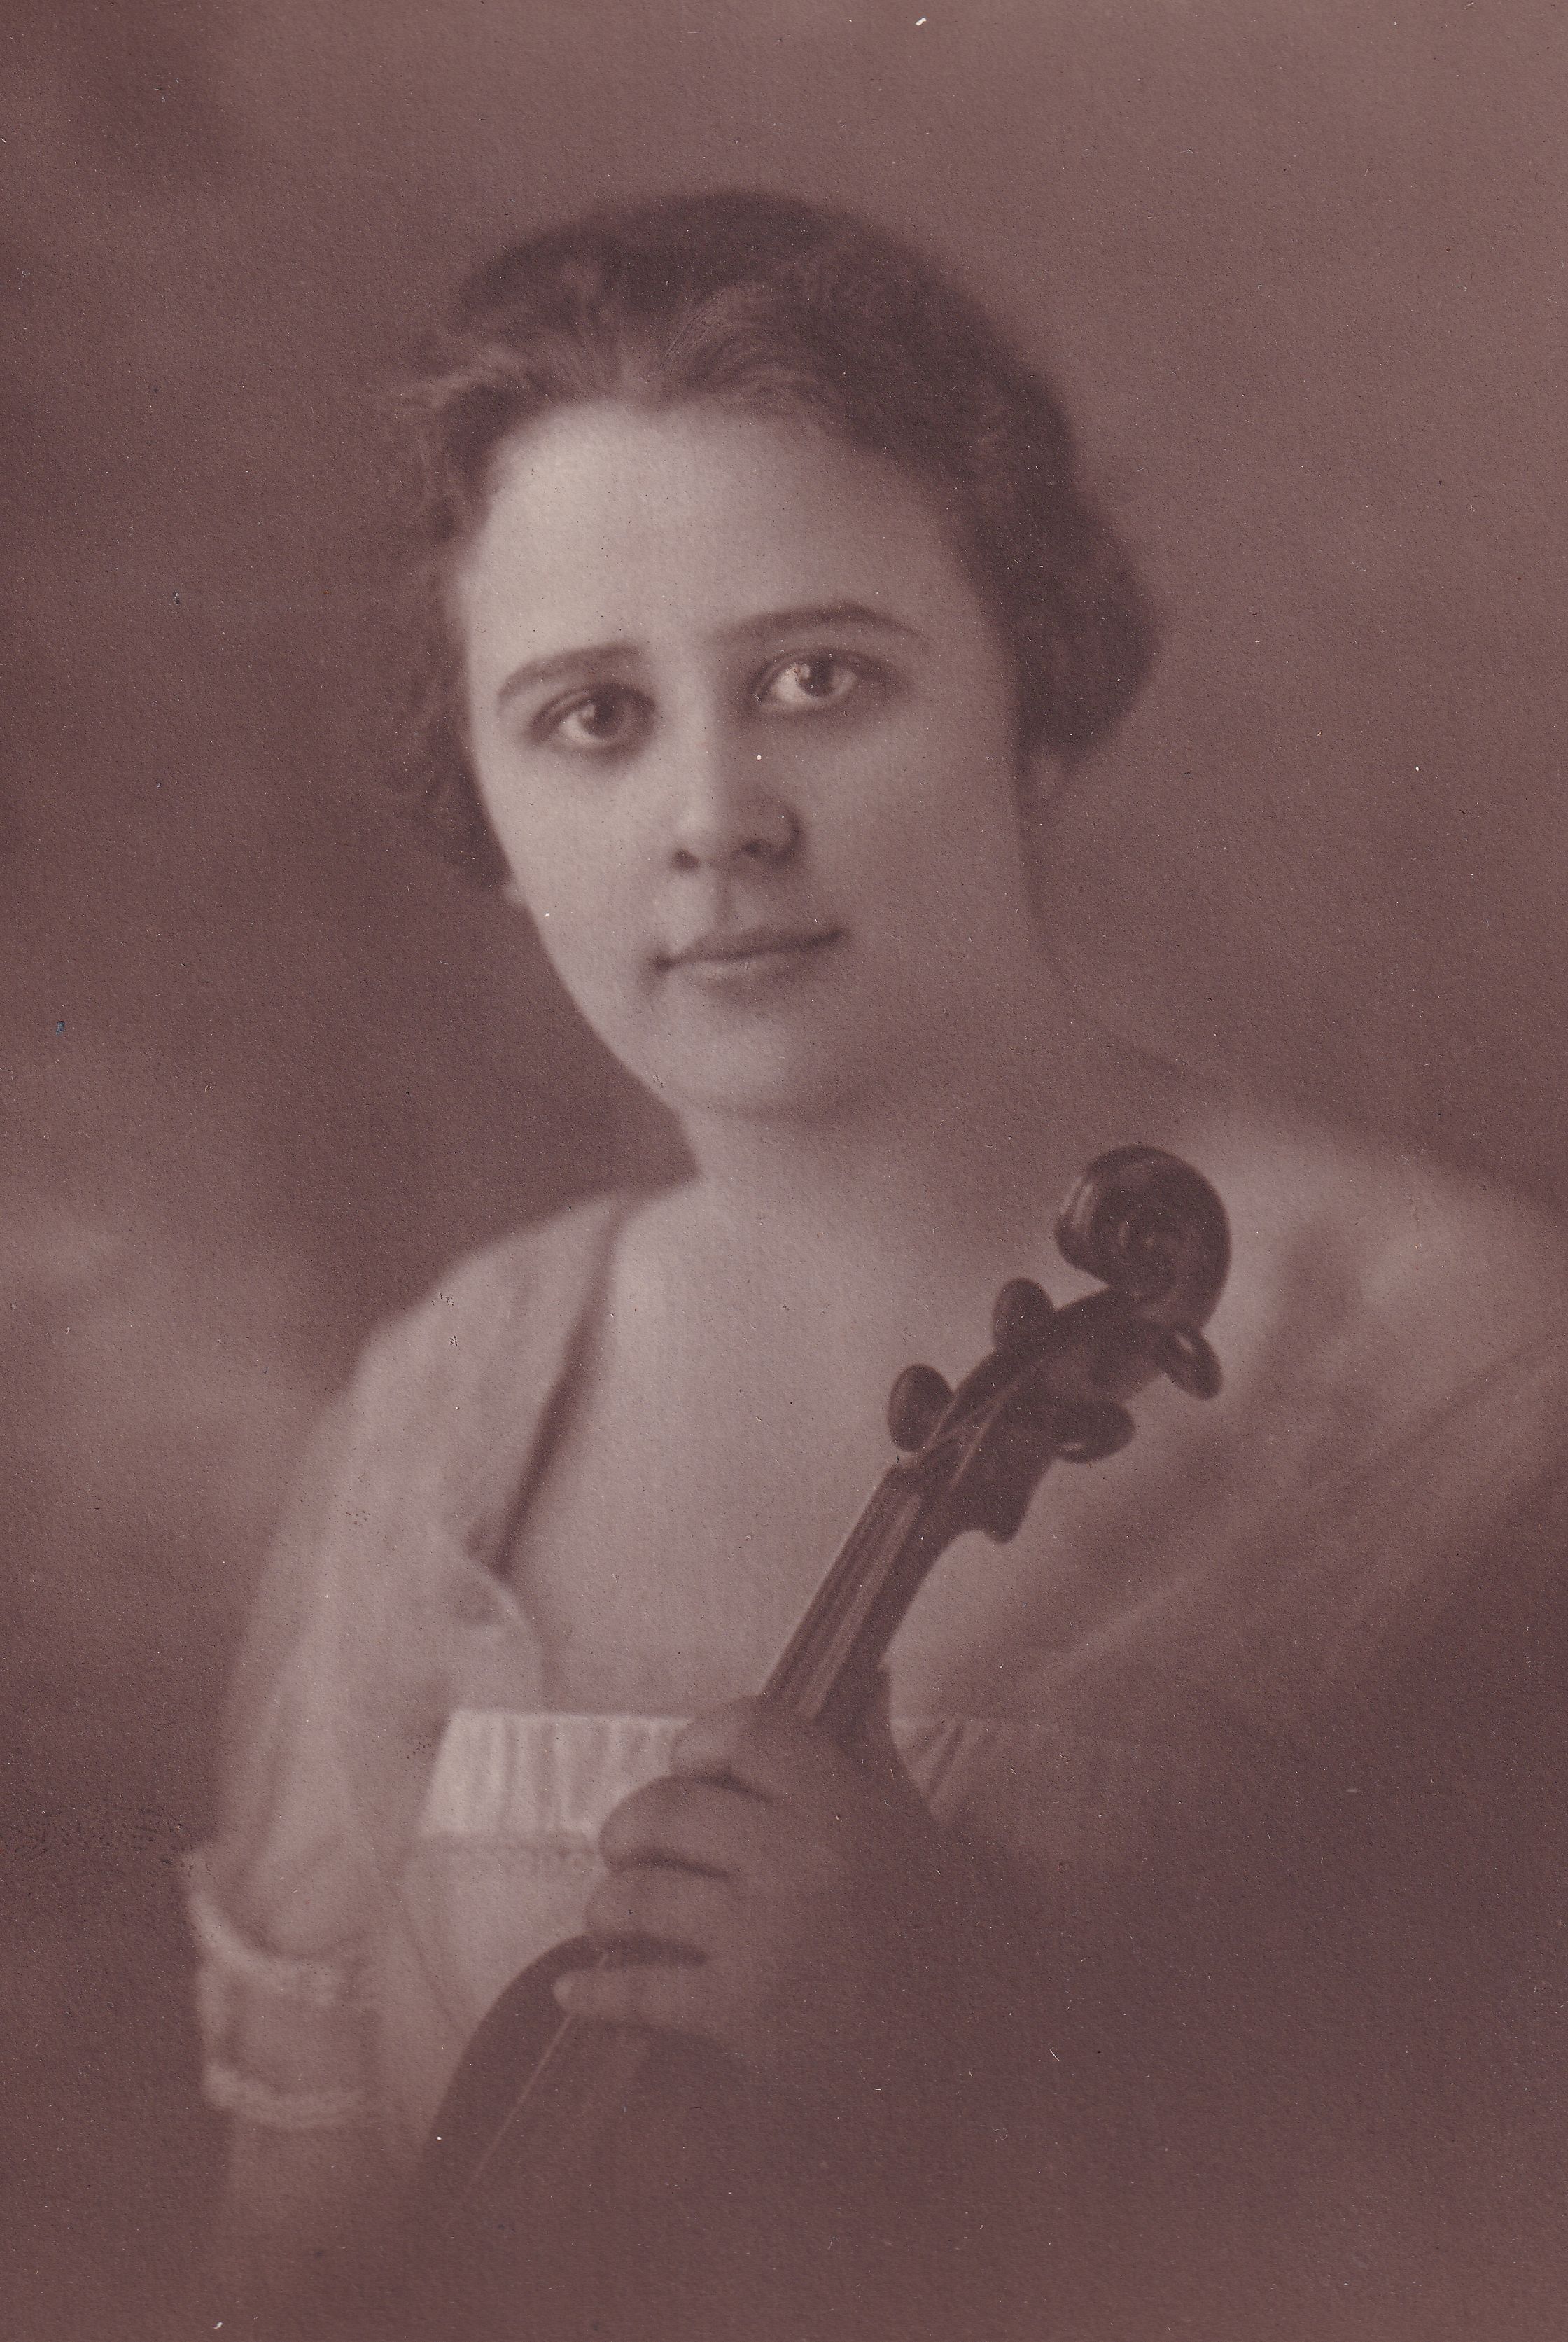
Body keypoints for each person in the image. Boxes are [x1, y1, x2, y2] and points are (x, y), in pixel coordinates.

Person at [187, 190, 1568, 2339]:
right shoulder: (434, 1414)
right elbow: (299, 2270)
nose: (715, 814)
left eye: (818, 680)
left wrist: (999, 2069)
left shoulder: (1483, 1390)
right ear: (489, 808)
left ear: (1033, 701)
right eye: (589, 716)